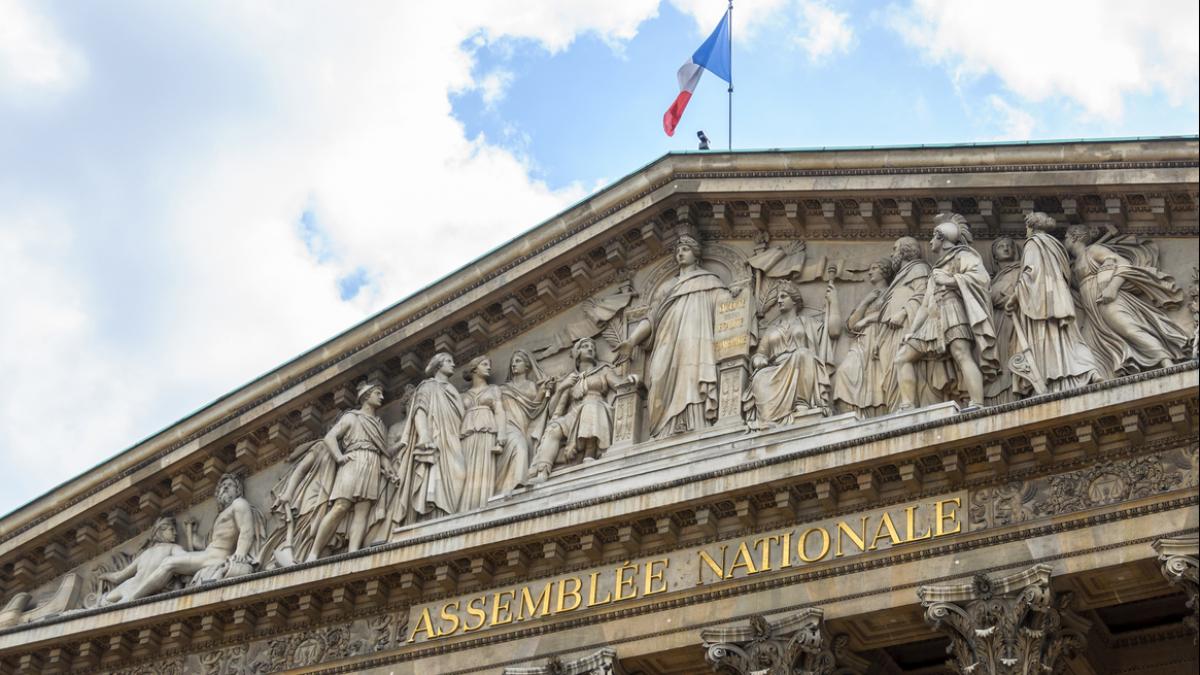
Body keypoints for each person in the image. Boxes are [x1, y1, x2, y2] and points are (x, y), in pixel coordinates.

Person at [617, 235, 729, 437]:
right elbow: (651, 319)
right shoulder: (666, 287)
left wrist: (735, 295)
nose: (680, 253)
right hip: (665, 341)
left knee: (692, 376)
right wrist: (631, 341)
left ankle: (694, 424)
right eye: (678, 250)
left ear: (696, 254)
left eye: (685, 249)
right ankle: (663, 431)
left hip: (696, 338)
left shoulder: (709, 281)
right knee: (658, 375)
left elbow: (726, 305)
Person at [894, 215, 998, 411]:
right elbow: (925, 305)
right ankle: (907, 407)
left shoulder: (964, 256)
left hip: (953, 311)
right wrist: (913, 331)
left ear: (941, 238)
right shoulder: (937, 268)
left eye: (933, 238)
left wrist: (950, 280)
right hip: (932, 318)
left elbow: (981, 279)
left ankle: (977, 403)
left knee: (961, 353)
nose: (930, 243)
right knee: (902, 357)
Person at [1064, 224, 1188, 376]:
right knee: (1089, 346)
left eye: (1065, 237)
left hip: (1106, 299)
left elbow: (1124, 264)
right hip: (1092, 311)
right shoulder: (1075, 263)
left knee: (1129, 328)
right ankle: (1106, 376)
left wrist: (1113, 288)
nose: (1064, 241)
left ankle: (1166, 361)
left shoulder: (1093, 250)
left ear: (1074, 237)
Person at [120, 474, 265, 600]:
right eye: (222, 486)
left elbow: (246, 530)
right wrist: (193, 534)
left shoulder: (238, 504)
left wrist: (240, 553)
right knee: (169, 563)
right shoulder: (221, 515)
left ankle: (133, 598)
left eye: (230, 485)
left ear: (238, 490)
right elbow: (206, 545)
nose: (225, 488)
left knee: (169, 563)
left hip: (217, 557)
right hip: (208, 554)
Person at [1003, 213, 1099, 395]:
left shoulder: (1033, 243)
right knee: (1068, 338)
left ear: (1030, 228)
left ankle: (1055, 380)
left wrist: (1014, 298)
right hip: (1060, 298)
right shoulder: (1056, 246)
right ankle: (1089, 370)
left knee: (1047, 341)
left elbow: (1030, 273)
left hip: (1040, 301)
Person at [526, 338, 634, 484]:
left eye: (592, 347)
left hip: (597, 407)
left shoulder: (603, 370)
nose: (590, 348)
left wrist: (632, 379)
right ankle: (542, 472)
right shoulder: (571, 378)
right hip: (573, 413)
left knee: (590, 407)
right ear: (577, 353)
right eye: (585, 346)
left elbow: (619, 384)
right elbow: (553, 411)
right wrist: (562, 387)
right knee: (553, 429)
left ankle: (589, 455)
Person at [305, 382, 390, 561]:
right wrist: (339, 457)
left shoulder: (380, 424)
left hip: (372, 462)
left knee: (362, 510)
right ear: (366, 396)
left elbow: (382, 451)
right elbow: (330, 437)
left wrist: (388, 469)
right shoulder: (352, 417)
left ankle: (353, 554)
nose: (381, 397)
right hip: (353, 460)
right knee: (341, 506)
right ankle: (313, 552)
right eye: (377, 393)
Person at [743, 280, 839, 429]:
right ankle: (769, 418)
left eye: (783, 296)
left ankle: (802, 403)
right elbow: (760, 354)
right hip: (776, 369)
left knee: (802, 354)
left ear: (794, 300)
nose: (778, 300)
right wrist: (758, 359)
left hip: (801, 365)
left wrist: (834, 303)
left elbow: (834, 331)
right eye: (777, 298)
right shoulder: (772, 329)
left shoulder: (807, 322)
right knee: (759, 377)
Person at [387, 352, 467, 527]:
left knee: (460, 474)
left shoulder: (452, 390)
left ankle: (448, 516)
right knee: (437, 476)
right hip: (436, 438)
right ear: (438, 365)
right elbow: (419, 411)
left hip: (453, 438)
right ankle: (434, 519)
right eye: (448, 361)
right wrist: (423, 434)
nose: (453, 364)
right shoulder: (427, 386)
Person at [877, 236, 937, 409]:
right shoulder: (901, 276)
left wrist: (903, 313)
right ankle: (896, 409)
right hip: (892, 331)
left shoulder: (919, 268)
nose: (891, 253)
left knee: (904, 361)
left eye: (894, 248)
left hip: (909, 326)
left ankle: (909, 406)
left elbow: (924, 295)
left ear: (905, 250)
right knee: (891, 373)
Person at [833, 258, 895, 415]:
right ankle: (849, 415)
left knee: (878, 381)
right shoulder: (869, 296)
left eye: (874, 267)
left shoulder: (892, 291)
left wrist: (867, 319)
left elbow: (892, 314)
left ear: (884, 271)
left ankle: (878, 413)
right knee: (844, 372)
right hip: (862, 340)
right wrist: (865, 303)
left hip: (881, 338)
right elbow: (852, 325)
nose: (870, 271)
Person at [98, 516, 189, 605]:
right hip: (141, 590)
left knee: (101, 604)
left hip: (128, 588)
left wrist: (104, 576)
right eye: (171, 529)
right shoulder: (173, 548)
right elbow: (188, 559)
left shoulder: (145, 554)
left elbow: (118, 577)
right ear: (160, 531)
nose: (176, 533)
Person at [496, 350, 552, 494]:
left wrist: (544, 391)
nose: (514, 364)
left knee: (525, 448)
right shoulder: (502, 389)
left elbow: (534, 408)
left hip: (524, 425)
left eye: (518, 361)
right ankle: (517, 486)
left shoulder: (532, 386)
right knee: (520, 446)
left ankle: (504, 488)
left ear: (527, 366)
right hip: (507, 425)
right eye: (513, 362)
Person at [458, 356, 507, 511]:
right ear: (474, 369)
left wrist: (501, 436)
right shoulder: (462, 396)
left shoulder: (493, 389)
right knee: (466, 470)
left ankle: (482, 506)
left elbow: (499, 411)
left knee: (483, 468)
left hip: (487, 431)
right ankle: (465, 509)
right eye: (484, 364)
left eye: (489, 364)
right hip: (466, 435)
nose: (489, 368)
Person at [985, 237, 1021, 404]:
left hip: (1016, 319)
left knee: (1014, 353)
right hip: (998, 322)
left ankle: (1018, 388)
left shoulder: (1022, 269)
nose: (1006, 248)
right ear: (995, 256)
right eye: (1001, 246)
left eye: (1009, 245)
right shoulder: (994, 279)